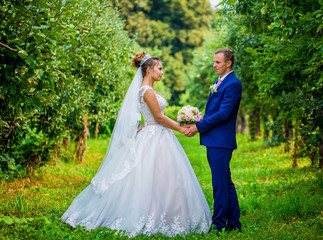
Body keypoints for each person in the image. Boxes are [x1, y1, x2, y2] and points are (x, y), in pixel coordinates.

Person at [61, 52, 212, 237]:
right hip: (155, 135)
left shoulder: (151, 89)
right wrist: (181, 129)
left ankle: (169, 211)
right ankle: (148, 214)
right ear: (148, 69)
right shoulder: (146, 91)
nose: (162, 72)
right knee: (150, 175)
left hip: (158, 134)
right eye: (160, 68)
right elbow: (158, 117)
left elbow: (154, 116)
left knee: (166, 176)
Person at [184, 48, 242, 232]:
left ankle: (218, 225)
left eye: (218, 62)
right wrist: (199, 118)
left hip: (221, 141)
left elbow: (224, 114)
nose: (214, 65)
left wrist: (198, 127)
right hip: (215, 139)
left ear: (228, 63)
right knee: (225, 183)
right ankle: (234, 224)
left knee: (219, 185)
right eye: (214, 61)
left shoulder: (233, 83)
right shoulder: (219, 82)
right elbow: (215, 110)